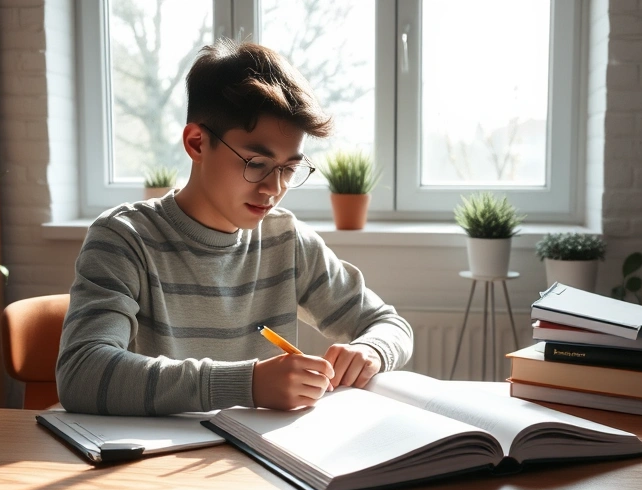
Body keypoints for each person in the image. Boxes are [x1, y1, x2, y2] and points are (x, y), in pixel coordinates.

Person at [56, 39, 413, 415]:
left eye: (289, 169)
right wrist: (248, 385)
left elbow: (390, 325)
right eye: (256, 163)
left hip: (261, 461)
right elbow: (82, 374)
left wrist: (369, 350)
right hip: (153, 465)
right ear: (197, 143)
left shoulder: (286, 239)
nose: (273, 189)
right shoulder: (124, 237)